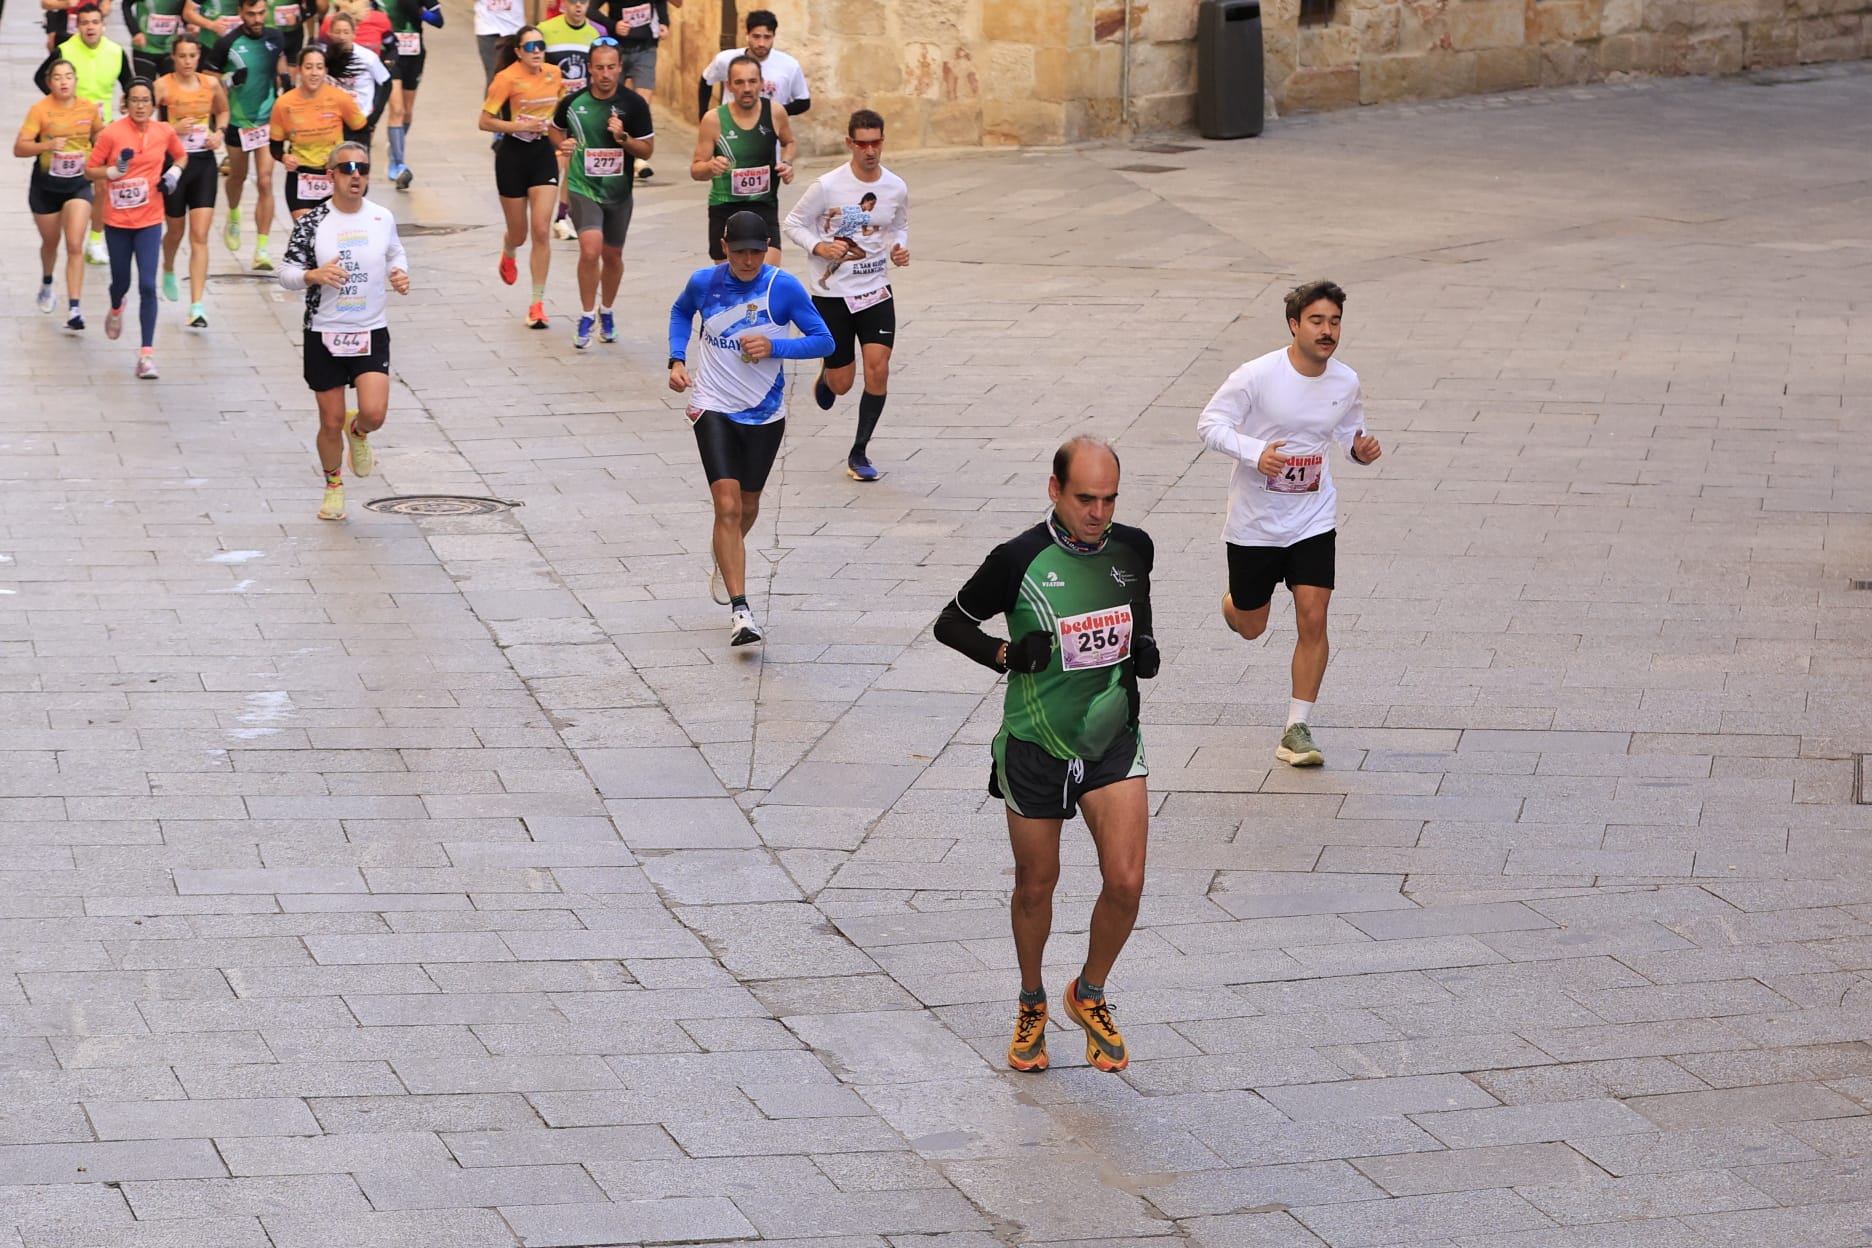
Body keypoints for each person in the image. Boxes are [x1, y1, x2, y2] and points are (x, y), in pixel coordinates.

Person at [933, 437, 1159, 1075]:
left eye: (1109, 499)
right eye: (1085, 498)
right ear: (1054, 490)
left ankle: (1088, 992)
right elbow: (950, 623)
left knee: (1127, 880)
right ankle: (1032, 999)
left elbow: (1133, 610)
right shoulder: (1017, 559)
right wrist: (1005, 655)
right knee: (1037, 886)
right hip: (1034, 745)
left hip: (1112, 738)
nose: (1098, 512)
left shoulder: (1133, 547)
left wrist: (1142, 646)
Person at [1197, 280, 1383, 769]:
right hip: (1257, 523)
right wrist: (1256, 453)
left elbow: (1347, 431)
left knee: (1314, 616)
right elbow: (1209, 424)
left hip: (1313, 517)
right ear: (1294, 325)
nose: (1327, 331)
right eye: (1317, 321)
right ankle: (1235, 603)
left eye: (1335, 321)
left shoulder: (1345, 381)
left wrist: (1358, 451)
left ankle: (1297, 727)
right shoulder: (1256, 375)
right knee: (1251, 625)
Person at [667, 209, 832, 647]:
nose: (748, 261)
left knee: (748, 506)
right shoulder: (704, 282)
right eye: (739, 252)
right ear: (724, 248)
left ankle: (725, 552)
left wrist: (774, 346)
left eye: (756, 253)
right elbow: (681, 312)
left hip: (764, 413)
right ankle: (742, 611)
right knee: (726, 506)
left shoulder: (784, 288)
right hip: (712, 406)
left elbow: (825, 340)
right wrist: (677, 358)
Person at [277, 139, 409, 522]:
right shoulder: (314, 222)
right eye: (348, 168)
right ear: (330, 175)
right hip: (324, 331)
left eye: (363, 169)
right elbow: (285, 272)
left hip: (370, 329)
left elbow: (395, 252)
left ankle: (361, 431)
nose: (356, 176)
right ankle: (333, 486)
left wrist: (400, 274)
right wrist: (311, 275)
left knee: (375, 412)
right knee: (329, 421)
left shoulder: (381, 217)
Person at [783, 107, 908, 484]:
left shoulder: (895, 186)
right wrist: (819, 248)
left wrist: (900, 248)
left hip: (875, 292)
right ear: (850, 143)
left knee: (879, 367)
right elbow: (792, 223)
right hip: (831, 294)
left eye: (876, 143)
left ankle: (860, 451)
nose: (870, 151)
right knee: (842, 383)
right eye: (862, 143)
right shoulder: (827, 186)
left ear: (883, 141)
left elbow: (898, 225)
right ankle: (827, 376)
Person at [549, 38, 650, 350]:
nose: (606, 74)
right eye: (599, 68)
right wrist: (561, 145)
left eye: (611, 67)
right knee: (590, 250)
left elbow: (647, 149)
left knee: (613, 255)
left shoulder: (634, 104)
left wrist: (623, 138)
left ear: (620, 67)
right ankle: (585, 314)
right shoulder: (573, 102)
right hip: (583, 187)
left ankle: (606, 310)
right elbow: (555, 128)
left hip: (619, 192)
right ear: (589, 69)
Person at [84, 77, 185, 378]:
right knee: (121, 282)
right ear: (125, 103)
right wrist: (113, 171)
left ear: (154, 104)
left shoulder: (164, 131)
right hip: (116, 222)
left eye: (145, 100)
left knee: (148, 286)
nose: (140, 106)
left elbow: (181, 155)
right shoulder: (112, 133)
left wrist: (174, 174)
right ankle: (116, 306)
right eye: (135, 100)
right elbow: (90, 169)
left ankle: (146, 355)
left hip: (150, 220)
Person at [480, 26, 563, 330]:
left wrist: (562, 139)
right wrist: (517, 126)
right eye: (530, 47)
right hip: (512, 157)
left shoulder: (555, 74)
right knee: (520, 234)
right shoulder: (506, 79)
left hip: (542, 155)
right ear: (518, 51)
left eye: (541, 44)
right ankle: (509, 246)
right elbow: (484, 121)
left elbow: (562, 113)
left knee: (541, 229)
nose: (537, 50)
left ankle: (537, 304)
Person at [42, 4, 132, 266]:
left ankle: (95, 240)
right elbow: (41, 78)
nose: (90, 27)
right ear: (77, 26)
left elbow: (129, 82)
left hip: (103, 129)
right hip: (71, 131)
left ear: (103, 25)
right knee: (70, 182)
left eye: (95, 22)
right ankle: (67, 235)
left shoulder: (115, 51)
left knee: (102, 185)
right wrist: (58, 102)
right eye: (85, 23)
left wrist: (129, 98)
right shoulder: (65, 50)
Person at [15, 59, 100, 329]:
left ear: (76, 80)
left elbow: (101, 137)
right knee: (50, 243)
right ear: (50, 83)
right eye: (58, 77)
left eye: (68, 76)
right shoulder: (40, 110)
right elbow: (20, 148)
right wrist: (48, 144)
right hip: (46, 187)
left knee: (75, 244)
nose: (64, 81)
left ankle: (75, 308)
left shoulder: (88, 108)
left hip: (78, 184)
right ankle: (47, 282)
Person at [690, 54, 791, 268]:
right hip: (725, 207)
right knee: (730, 284)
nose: (747, 88)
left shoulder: (775, 112)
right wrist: (709, 166)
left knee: (767, 276)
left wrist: (787, 163)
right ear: (729, 86)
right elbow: (696, 170)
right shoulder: (713, 119)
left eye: (752, 81)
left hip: (763, 205)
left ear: (761, 84)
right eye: (739, 82)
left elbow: (789, 142)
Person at [204, 0, 284, 268]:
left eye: (261, 13)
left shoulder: (275, 38)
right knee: (237, 176)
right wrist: (229, 80)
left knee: (264, 181)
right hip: (238, 123)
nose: (257, 19)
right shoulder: (226, 43)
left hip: (266, 121)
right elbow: (208, 81)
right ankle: (234, 214)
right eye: (251, 14)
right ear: (240, 14)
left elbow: (279, 70)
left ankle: (262, 249)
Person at [153, 32, 224, 326]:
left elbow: (223, 111)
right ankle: (168, 266)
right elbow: (148, 124)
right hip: (174, 166)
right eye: (182, 56)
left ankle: (197, 305)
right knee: (175, 231)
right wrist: (173, 128)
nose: (187, 61)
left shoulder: (210, 84)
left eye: (192, 56)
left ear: (199, 57)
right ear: (174, 56)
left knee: (200, 235)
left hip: (204, 164)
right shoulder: (162, 86)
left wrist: (218, 133)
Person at [269, 44, 367, 221]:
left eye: (319, 67)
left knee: (334, 234)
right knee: (308, 234)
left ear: (325, 71)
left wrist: (348, 160)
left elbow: (361, 131)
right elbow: (275, 146)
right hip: (301, 176)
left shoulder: (340, 98)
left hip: (335, 176)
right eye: (308, 67)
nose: (314, 73)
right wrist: (284, 158)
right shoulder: (284, 104)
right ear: (299, 70)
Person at [537, 0, 602, 240]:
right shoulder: (545, 29)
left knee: (571, 164)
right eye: (572, 1)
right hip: (549, 111)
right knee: (557, 167)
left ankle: (561, 216)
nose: (578, 6)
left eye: (583, 1)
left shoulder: (595, 33)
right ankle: (547, 214)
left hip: (580, 111)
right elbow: (537, 68)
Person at [590, 0, 675, 180]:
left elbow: (660, 4)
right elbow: (590, 9)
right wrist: (613, 25)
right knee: (612, 102)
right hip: (617, 50)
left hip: (646, 49)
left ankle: (638, 159)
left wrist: (664, 24)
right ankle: (609, 152)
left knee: (642, 103)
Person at [697, 9, 806, 122]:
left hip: (770, 135)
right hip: (731, 132)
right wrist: (703, 116)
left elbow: (803, 102)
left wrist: (773, 112)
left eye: (767, 37)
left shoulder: (789, 65)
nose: (761, 43)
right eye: (756, 36)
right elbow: (706, 80)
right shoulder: (725, 59)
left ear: (774, 36)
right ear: (747, 35)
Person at [382, 0, 441, 188]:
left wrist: (419, 12)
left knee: (407, 112)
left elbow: (439, 21)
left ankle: (394, 148)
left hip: (414, 56)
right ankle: (398, 163)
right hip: (390, 56)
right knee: (397, 109)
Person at [320, 10, 390, 158]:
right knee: (334, 169)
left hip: (359, 122)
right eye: (337, 32)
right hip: (330, 124)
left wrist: (374, 117)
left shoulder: (367, 57)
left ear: (354, 34)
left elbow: (386, 82)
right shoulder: (322, 58)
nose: (341, 37)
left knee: (357, 169)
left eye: (346, 32)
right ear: (330, 34)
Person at [123, 0, 190, 79]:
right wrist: (135, 32)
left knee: (171, 88)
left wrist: (189, 25)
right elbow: (126, 4)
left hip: (170, 48)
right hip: (145, 47)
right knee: (145, 89)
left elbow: (188, 10)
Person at [474, 0, 533, 85]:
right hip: (488, 29)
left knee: (517, 75)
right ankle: (494, 98)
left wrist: (529, 27)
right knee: (494, 75)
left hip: (515, 28)